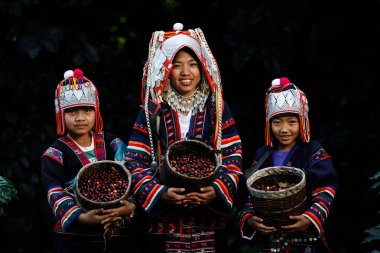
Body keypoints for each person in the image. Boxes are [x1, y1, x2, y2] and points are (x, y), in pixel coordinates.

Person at [124, 23, 243, 253]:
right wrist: (161, 193)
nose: (185, 72)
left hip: (208, 224)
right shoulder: (152, 111)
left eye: (192, 64)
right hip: (162, 228)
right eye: (176, 66)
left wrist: (216, 189)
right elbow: (134, 161)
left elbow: (233, 155)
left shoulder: (216, 108)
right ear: (166, 70)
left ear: (202, 68)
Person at [41, 69, 137, 253]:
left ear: (96, 112)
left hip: (118, 231)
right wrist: (81, 217)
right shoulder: (54, 154)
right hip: (75, 237)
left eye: (86, 110)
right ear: (60, 114)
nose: (80, 118)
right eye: (72, 112)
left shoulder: (114, 144)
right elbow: (53, 191)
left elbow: (134, 176)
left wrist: (129, 206)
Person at [239, 77, 339, 253]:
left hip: (304, 240)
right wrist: (249, 218)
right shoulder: (262, 155)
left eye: (292, 122)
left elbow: (326, 188)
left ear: (302, 122)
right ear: (269, 124)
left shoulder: (313, 151)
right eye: (277, 122)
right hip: (269, 242)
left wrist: (310, 217)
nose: (284, 129)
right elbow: (252, 194)